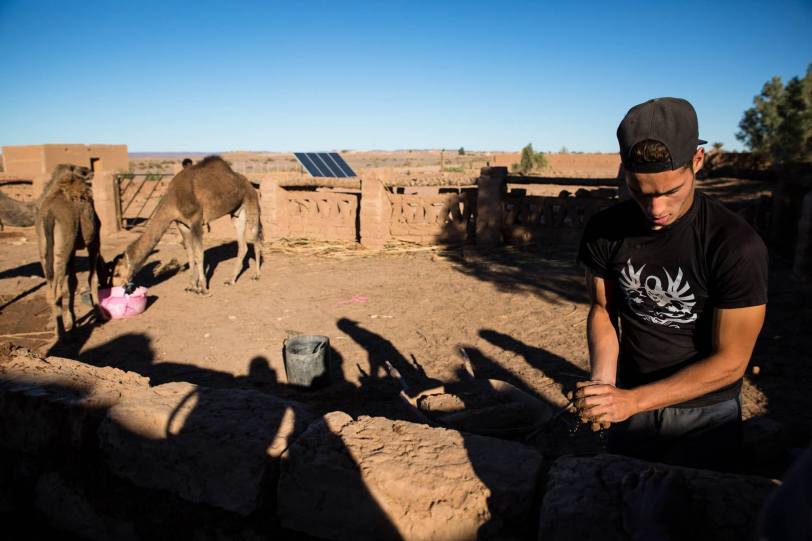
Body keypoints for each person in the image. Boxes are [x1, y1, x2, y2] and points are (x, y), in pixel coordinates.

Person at [574, 97, 768, 470]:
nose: (656, 209)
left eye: (671, 191)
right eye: (640, 192)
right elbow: (603, 310)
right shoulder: (605, 231)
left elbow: (732, 362)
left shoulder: (735, 246)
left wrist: (632, 401)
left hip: (705, 413)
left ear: (697, 161)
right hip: (629, 405)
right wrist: (603, 384)